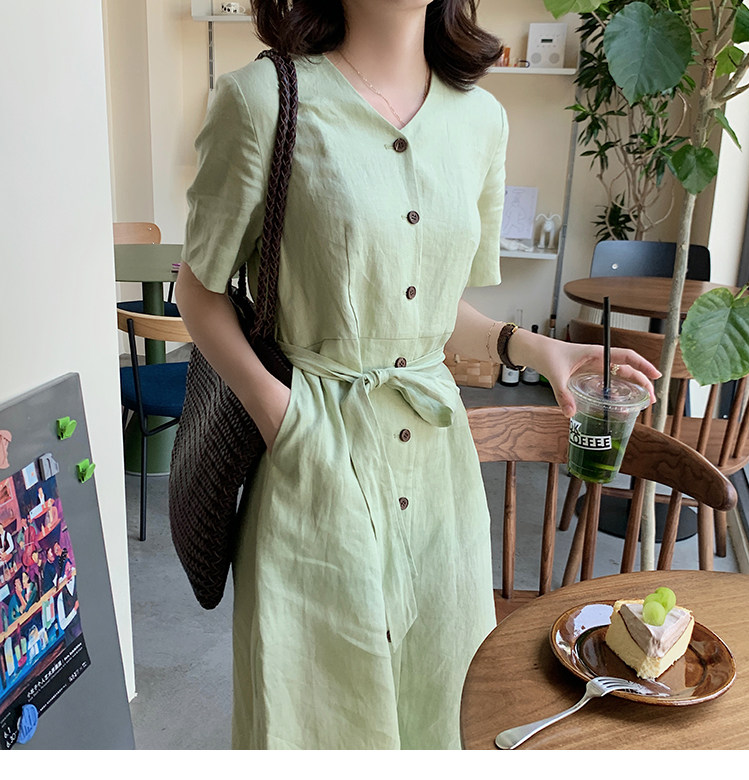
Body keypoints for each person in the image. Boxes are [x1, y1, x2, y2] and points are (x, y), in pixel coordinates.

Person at [175, 0, 660, 750]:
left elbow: (435, 309)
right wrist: (283, 416)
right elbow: (197, 291)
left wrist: (539, 350)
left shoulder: (482, 120)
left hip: (439, 475)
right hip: (313, 458)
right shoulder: (261, 100)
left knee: (442, 695)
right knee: (312, 711)